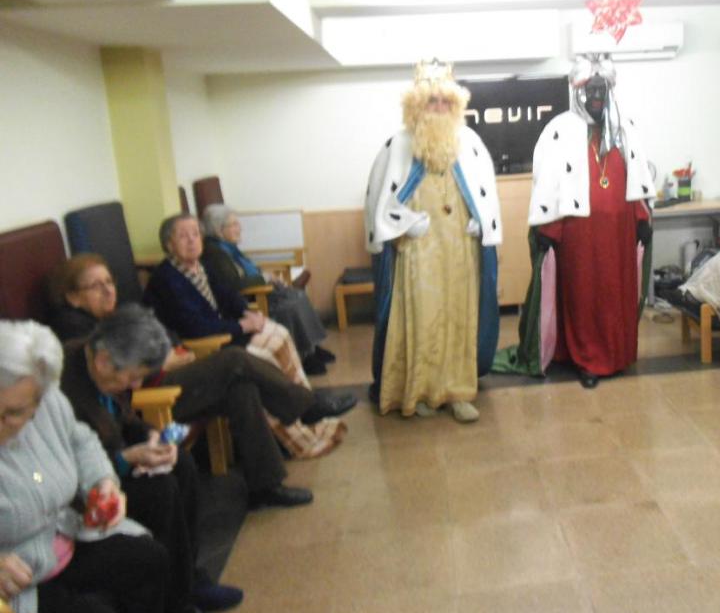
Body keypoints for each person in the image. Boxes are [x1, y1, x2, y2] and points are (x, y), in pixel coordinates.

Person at [50, 253, 351, 478]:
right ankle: (305, 405)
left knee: (241, 388)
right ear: (73, 297)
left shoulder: (114, 315)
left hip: (170, 372)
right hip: (153, 394)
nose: (108, 291)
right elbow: (119, 381)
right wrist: (162, 360)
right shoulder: (77, 331)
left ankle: (267, 483)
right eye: (96, 286)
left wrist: (172, 350)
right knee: (234, 360)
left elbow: (165, 333)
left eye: (109, 282)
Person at [59, 305, 242, 613]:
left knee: (182, 463)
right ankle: (175, 604)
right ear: (103, 361)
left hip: (110, 465)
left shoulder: (104, 363)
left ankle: (188, 579)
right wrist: (124, 460)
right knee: (160, 490)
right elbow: (64, 469)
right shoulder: (62, 388)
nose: (135, 387)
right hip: (80, 494)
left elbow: (126, 419)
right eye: (133, 378)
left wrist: (151, 435)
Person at [493, 55, 655, 387]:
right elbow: (549, 183)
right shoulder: (560, 130)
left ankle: (618, 355)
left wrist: (641, 217)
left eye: (602, 89)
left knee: (616, 297)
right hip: (579, 236)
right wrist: (549, 227)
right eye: (590, 89)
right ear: (578, 91)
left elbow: (637, 175)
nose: (596, 96)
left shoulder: (624, 129)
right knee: (585, 298)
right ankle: (586, 359)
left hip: (619, 234)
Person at [144, 215, 351, 458]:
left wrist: (248, 313)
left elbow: (228, 296)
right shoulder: (167, 279)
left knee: (278, 333)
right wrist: (241, 326)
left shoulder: (202, 266)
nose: (192, 240)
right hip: (202, 348)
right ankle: (297, 428)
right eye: (183, 236)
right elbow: (195, 327)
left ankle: (305, 408)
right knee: (265, 361)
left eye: (195, 234)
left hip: (222, 334)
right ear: (169, 245)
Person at [0, 319, 168, 613]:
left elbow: (81, 440)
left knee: (151, 559)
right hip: (19, 583)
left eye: (14, 413)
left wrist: (103, 482)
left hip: (61, 539)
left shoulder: (49, 401)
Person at [364, 59, 501, 422]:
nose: (438, 108)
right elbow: (380, 200)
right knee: (422, 321)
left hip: (460, 250)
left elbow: (484, 193)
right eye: (431, 101)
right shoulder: (398, 145)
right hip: (417, 251)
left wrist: (481, 222)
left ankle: (457, 392)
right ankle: (420, 391)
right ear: (416, 105)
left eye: (445, 101)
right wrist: (403, 224)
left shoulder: (469, 143)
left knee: (458, 320)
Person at [200, 204, 334, 376]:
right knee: (288, 306)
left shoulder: (228, 248)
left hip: (258, 290)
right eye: (233, 225)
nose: (239, 228)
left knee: (298, 296)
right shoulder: (215, 253)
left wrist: (266, 276)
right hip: (252, 298)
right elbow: (234, 284)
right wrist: (265, 278)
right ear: (219, 230)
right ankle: (303, 356)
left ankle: (312, 347)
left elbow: (247, 271)